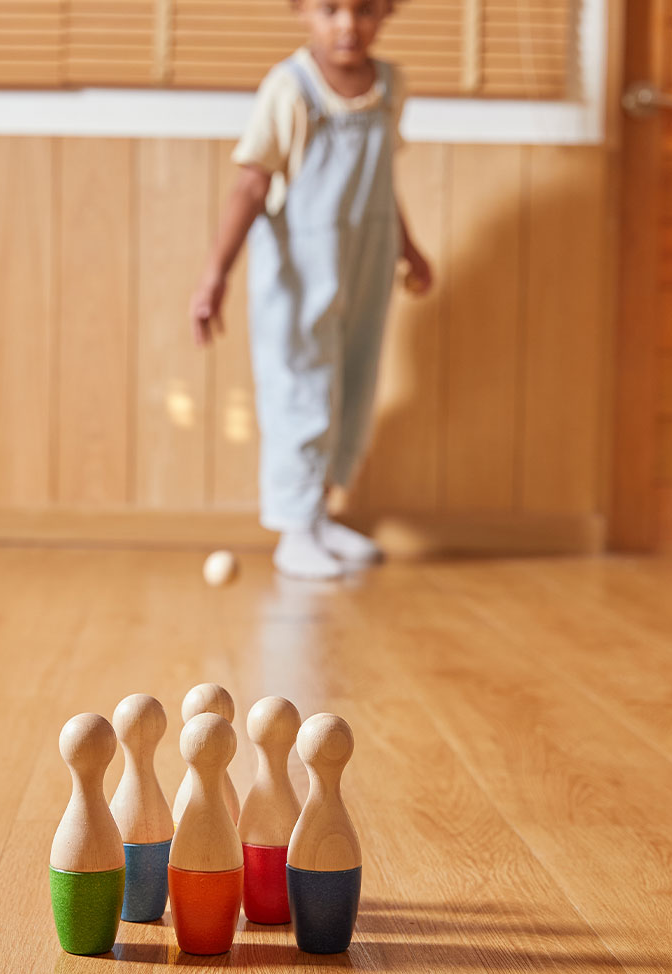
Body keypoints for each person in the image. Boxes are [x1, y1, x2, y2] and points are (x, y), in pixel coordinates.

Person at [190, 0, 433, 580]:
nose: (348, 24)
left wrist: (409, 247)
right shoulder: (290, 87)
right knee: (300, 384)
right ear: (301, 10)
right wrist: (216, 273)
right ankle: (294, 530)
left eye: (366, 9)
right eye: (330, 9)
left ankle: (320, 513)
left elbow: (380, 179)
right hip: (301, 266)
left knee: (350, 382)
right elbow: (251, 185)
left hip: (364, 261)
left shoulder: (390, 84)